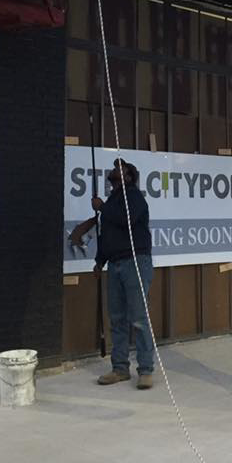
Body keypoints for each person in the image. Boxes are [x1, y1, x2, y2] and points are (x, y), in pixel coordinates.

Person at [88, 158, 155, 389]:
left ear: (128, 176)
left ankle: (145, 370)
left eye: (120, 167)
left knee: (138, 318)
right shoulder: (111, 201)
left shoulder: (134, 197)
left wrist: (101, 207)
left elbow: (126, 219)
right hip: (115, 264)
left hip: (135, 261)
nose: (114, 169)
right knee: (117, 319)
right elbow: (106, 235)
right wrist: (99, 261)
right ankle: (120, 369)